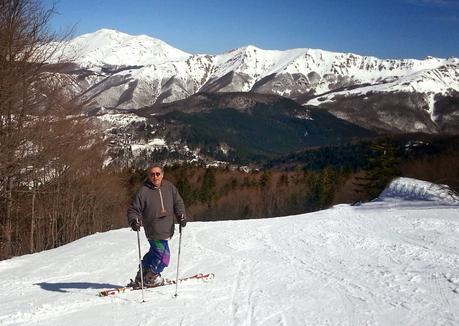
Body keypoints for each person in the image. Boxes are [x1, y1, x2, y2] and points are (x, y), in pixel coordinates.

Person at [127, 164, 187, 287]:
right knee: (164, 256)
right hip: (153, 229)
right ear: (149, 176)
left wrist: (181, 215)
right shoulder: (143, 191)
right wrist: (134, 220)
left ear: (162, 175)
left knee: (154, 253)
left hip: (168, 228)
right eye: (152, 174)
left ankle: (143, 273)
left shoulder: (169, 187)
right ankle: (151, 277)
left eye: (158, 174)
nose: (155, 176)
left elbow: (178, 202)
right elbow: (134, 209)